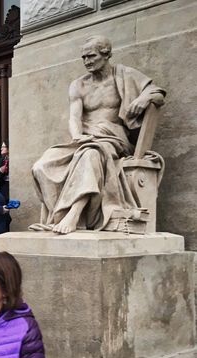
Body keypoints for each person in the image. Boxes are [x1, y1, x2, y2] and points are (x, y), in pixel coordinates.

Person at [31, 35, 165, 234]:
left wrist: (144, 98)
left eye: (91, 56)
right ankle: (56, 216)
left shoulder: (124, 75)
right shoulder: (79, 85)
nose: (87, 62)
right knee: (41, 166)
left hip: (114, 140)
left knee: (91, 154)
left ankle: (74, 215)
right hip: (83, 139)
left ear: (106, 54)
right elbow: (74, 118)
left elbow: (158, 94)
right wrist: (77, 136)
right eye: (84, 57)